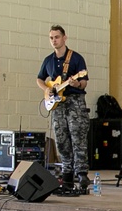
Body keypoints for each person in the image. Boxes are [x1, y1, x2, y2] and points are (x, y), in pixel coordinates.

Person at [37, 24, 90, 193]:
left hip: (75, 101)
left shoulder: (76, 58)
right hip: (57, 104)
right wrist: (46, 89)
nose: (54, 40)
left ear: (64, 38)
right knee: (61, 139)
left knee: (77, 136)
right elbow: (39, 79)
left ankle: (81, 173)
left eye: (57, 37)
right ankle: (67, 172)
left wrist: (76, 83)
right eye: (51, 38)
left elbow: (84, 82)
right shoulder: (48, 60)